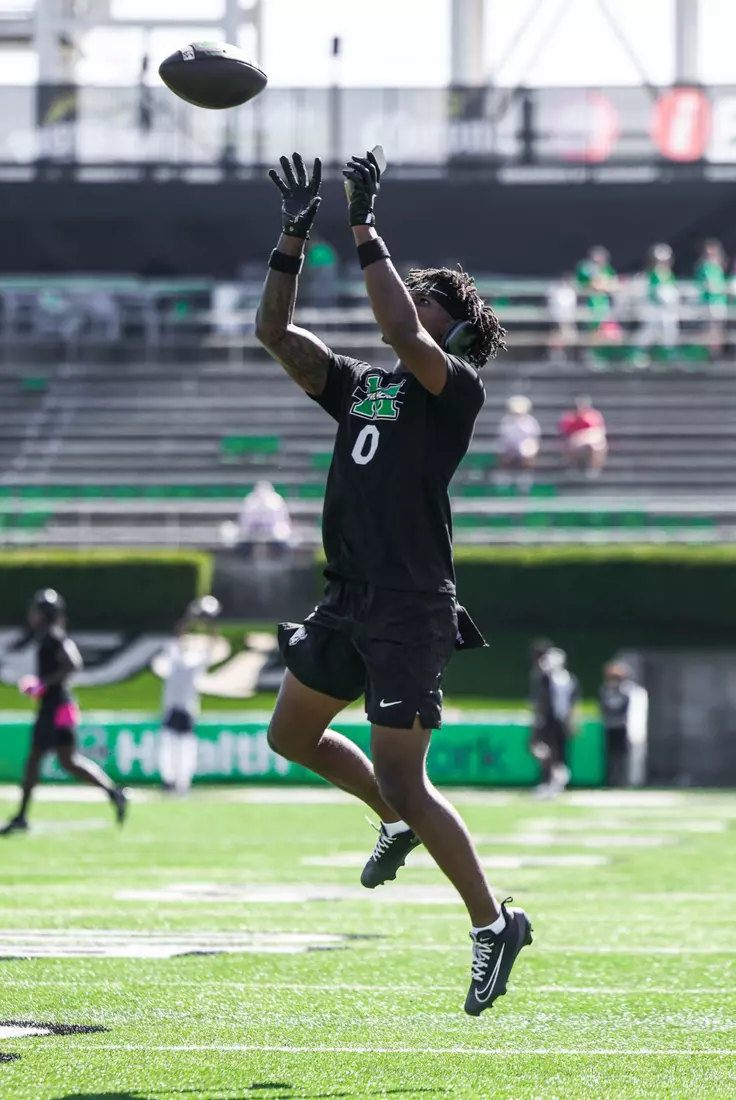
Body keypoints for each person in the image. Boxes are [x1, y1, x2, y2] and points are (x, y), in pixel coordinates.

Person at [254, 150, 530, 1016]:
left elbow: (405, 334)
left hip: (410, 606)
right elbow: (276, 335)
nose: (411, 305)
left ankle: (493, 923)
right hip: (348, 595)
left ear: (452, 327)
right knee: (291, 736)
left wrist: (365, 226)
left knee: (407, 777)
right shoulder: (367, 389)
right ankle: (398, 819)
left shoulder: (456, 386)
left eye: (428, 301)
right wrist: (293, 240)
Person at [0, 589, 127, 834]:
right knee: (66, 761)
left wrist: (44, 684)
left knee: (36, 760)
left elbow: (73, 664)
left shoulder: (52, 636)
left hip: (55, 707)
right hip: (58, 705)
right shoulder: (49, 636)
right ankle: (113, 793)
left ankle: (22, 816)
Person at [155, 596, 221, 796]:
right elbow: (177, 635)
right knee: (168, 747)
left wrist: (209, 624)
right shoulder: (173, 657)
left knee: (186, 749)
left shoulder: (196, 661)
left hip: (187, 709)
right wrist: (189, 618)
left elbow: (212, 644)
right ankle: (168, 780)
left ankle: (182, 783)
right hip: (171, 707)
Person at [529, 645, 580, 798]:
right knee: (544, 751)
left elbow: (573, 702)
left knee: (558, 752)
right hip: (548, 719)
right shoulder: (545, 678)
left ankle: (556, 782)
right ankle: (548, 780)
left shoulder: (568, 679)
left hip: (559, 719)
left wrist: (573, 721)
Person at [600, 661, 648, 788]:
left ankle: (623, 780)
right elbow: (604, 706)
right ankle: (611, 780)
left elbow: (625, 707)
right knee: (610, 754)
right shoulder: (606, 689)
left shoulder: (627, 690)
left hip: (623, 727)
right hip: (610, 726)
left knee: (623, 755)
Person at [636, 242, 679, 363]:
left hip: (669, 310)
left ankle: (669, 358)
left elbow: (673, 289)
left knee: (670, 332)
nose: (663, 262)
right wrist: (661, 300)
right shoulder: (652, 273)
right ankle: (639, 355)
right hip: (654, 309)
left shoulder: (669, 274)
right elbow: (652, 291)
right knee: (649, 332)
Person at [236, 480, 293, 557]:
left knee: (282, 545)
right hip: (252, 534)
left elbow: (281, 522)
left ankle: (280, 559)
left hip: (274, 534)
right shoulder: (250, 501)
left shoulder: (276, 501)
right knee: (243, 545)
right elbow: (245, 523)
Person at [496, 395, 540, 492]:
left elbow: (533, 441)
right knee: (503, 465)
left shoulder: (531, 422)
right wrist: (506, 453)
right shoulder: (505, 422)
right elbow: (503, 440)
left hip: (525, 453)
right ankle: (503, 489)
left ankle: (524, 489)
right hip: (509, 452)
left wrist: (527, 454)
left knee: (527, 465)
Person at [574, 246, 617, 341]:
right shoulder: (586, 267)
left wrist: (605, 285)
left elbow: (613, 285)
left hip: (604, 303)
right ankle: (588, 351)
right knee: (590, 329)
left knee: (605, 329)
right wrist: (600, 284)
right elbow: (591, 283)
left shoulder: (607, 269)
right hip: (588, 303)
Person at [558, 395, 607, 479]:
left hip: (592, 441)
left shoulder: (594, 416)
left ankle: (594, 469)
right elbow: (565, 432)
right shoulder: (569, 417)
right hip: (574, 442)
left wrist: (586, 436)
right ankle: (571, 467)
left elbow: (600, 431)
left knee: (597, 446)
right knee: (568, 445)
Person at [695, 239, 728, 356]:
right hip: (708, 303)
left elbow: (720, 284)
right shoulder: (704, 266)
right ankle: (708, 353)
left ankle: (717, 352)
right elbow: (706, 284)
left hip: (719, 302)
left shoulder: (718, 266)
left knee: (718, 329)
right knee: (709, 329)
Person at [547, 273, 577, 361]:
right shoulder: (554, 290)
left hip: (569, 319)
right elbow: (552, 304)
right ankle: (554, 356)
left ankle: (568, 358)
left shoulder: (572, 291)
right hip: (557, 319)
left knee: (571, 338)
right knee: (556, 337)